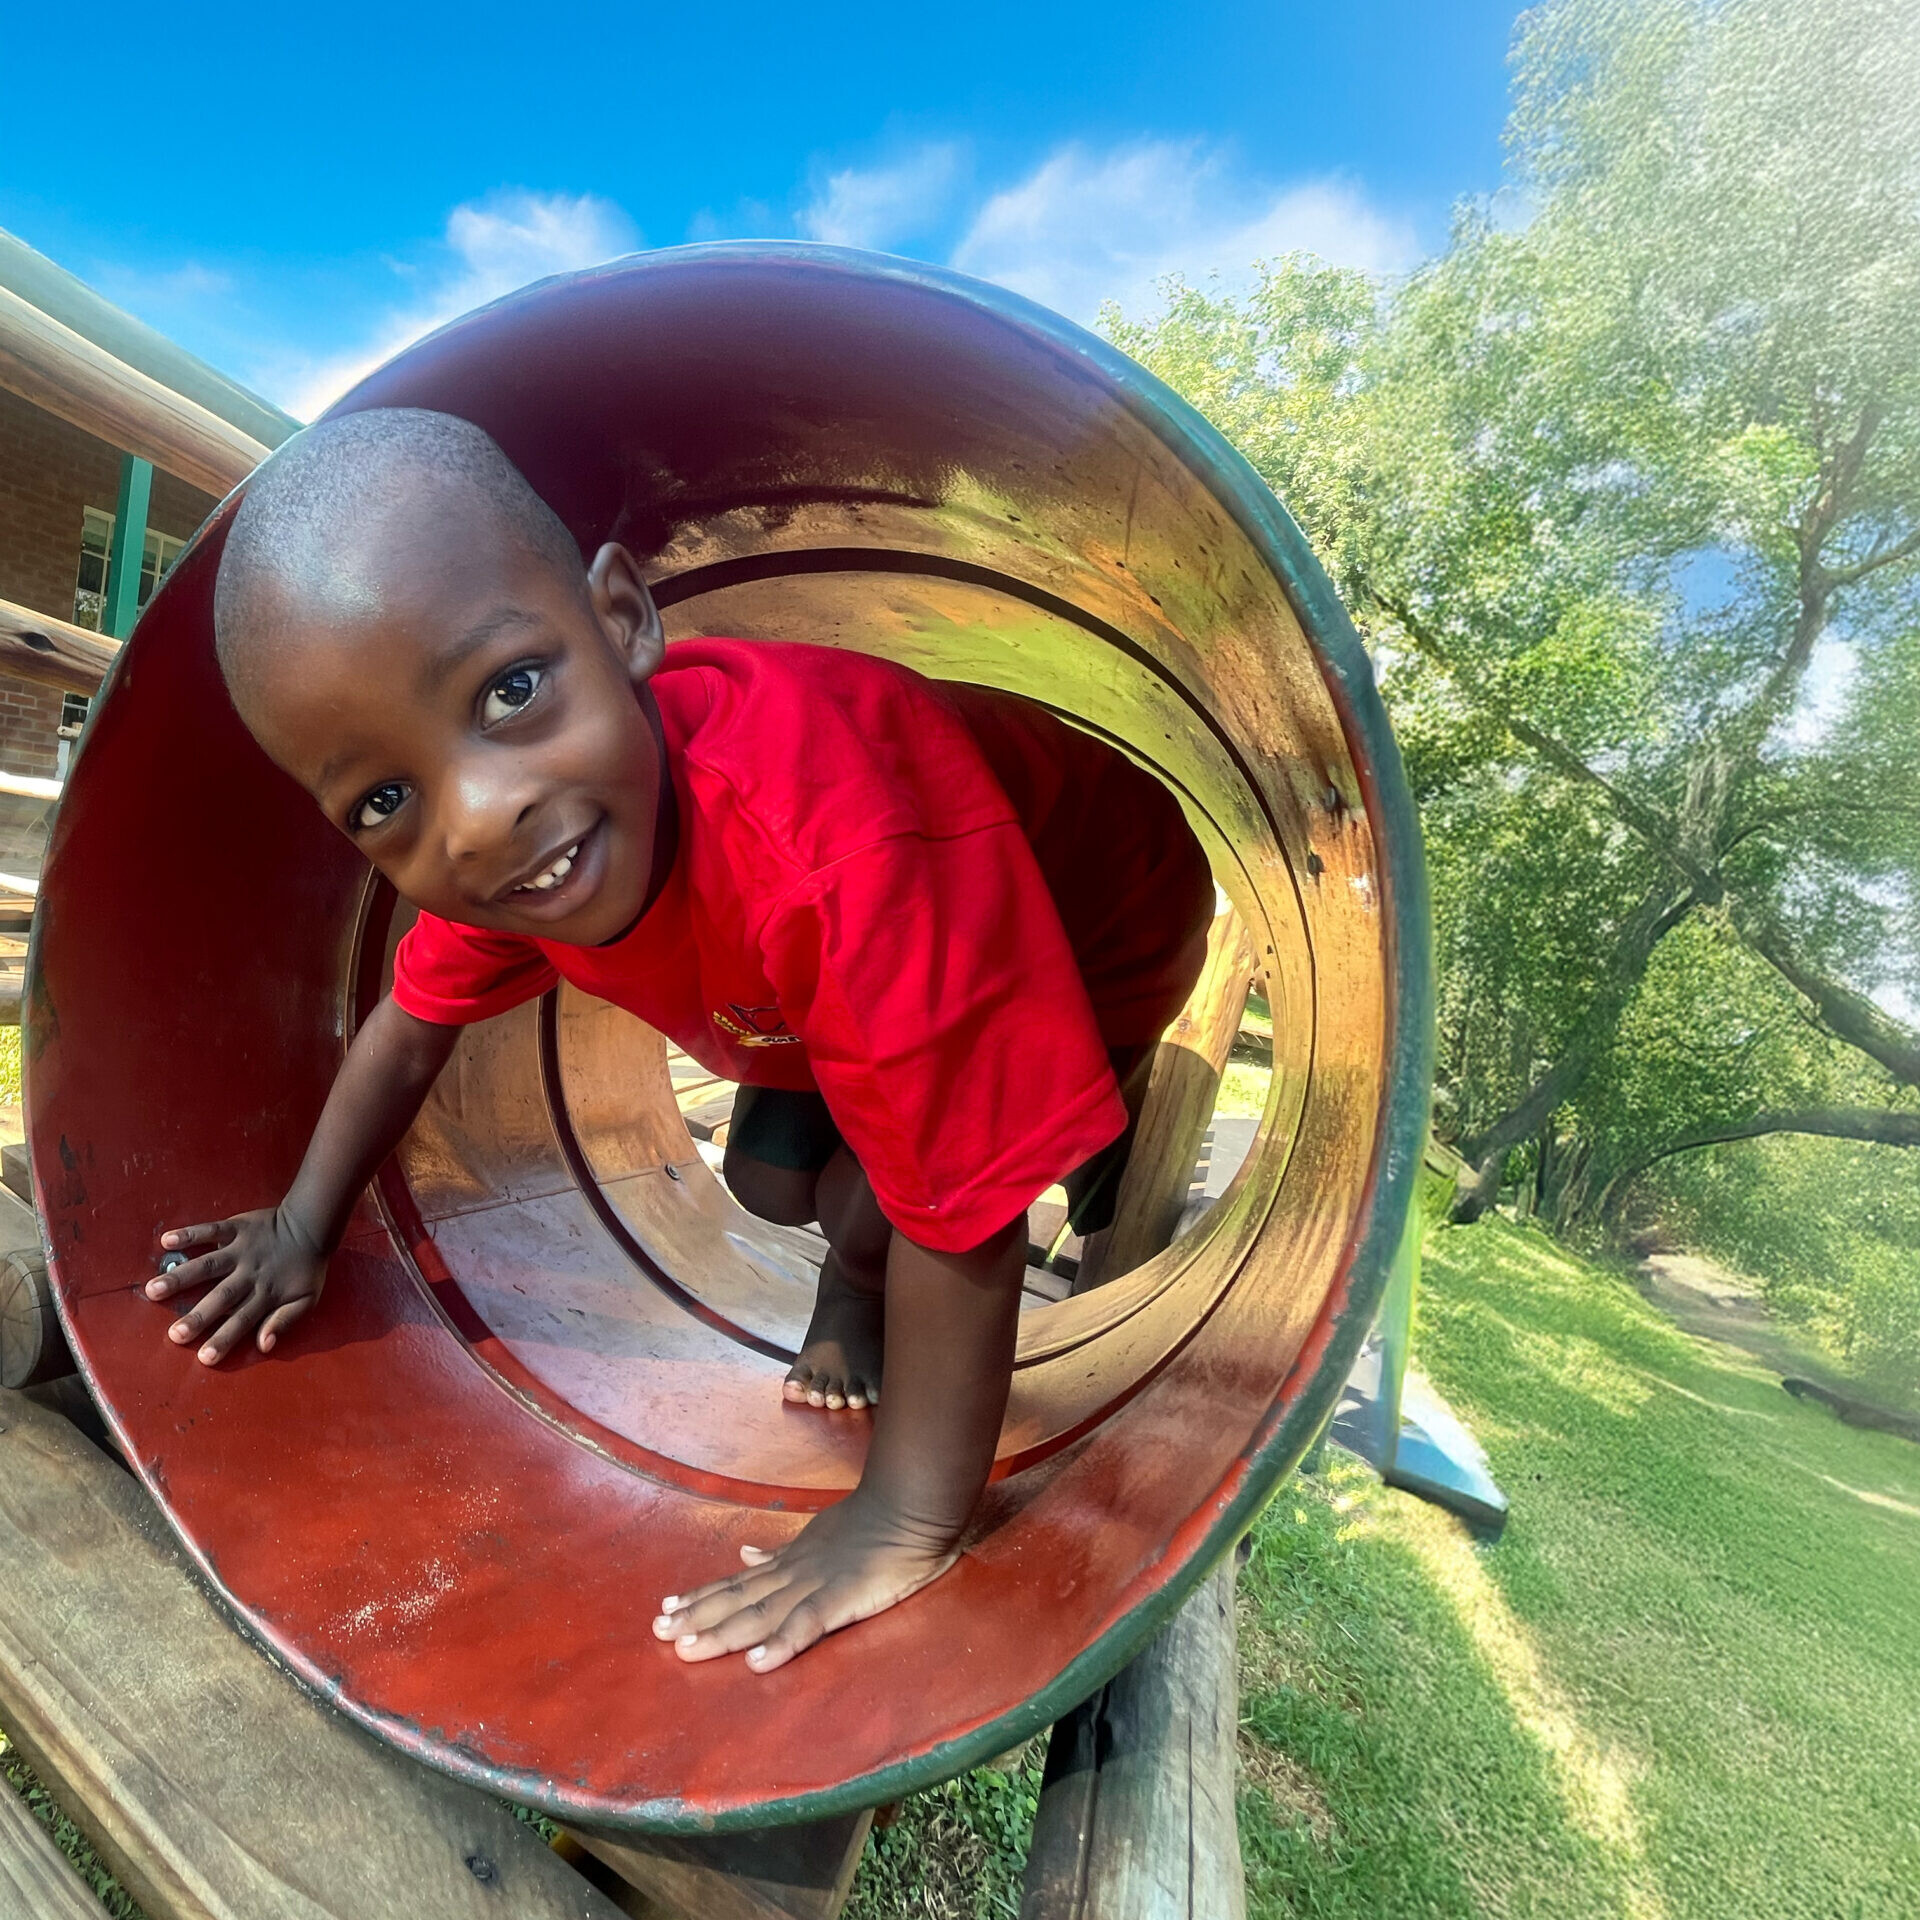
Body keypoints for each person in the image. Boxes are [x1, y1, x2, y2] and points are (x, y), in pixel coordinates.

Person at [145, 409, 1214, 1671]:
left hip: (1094, 906)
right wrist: (299, 1226)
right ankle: (845, 1242)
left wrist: (905, 1516)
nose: (478, 816)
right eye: (385, 799)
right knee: (768, 1183)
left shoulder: (832, 829)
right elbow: (405, 1030)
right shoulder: (518, 851)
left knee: (892, 1200)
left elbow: (967, 1200)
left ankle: (855, 1276)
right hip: (844, 940)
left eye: (510, 690)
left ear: (624, 619)